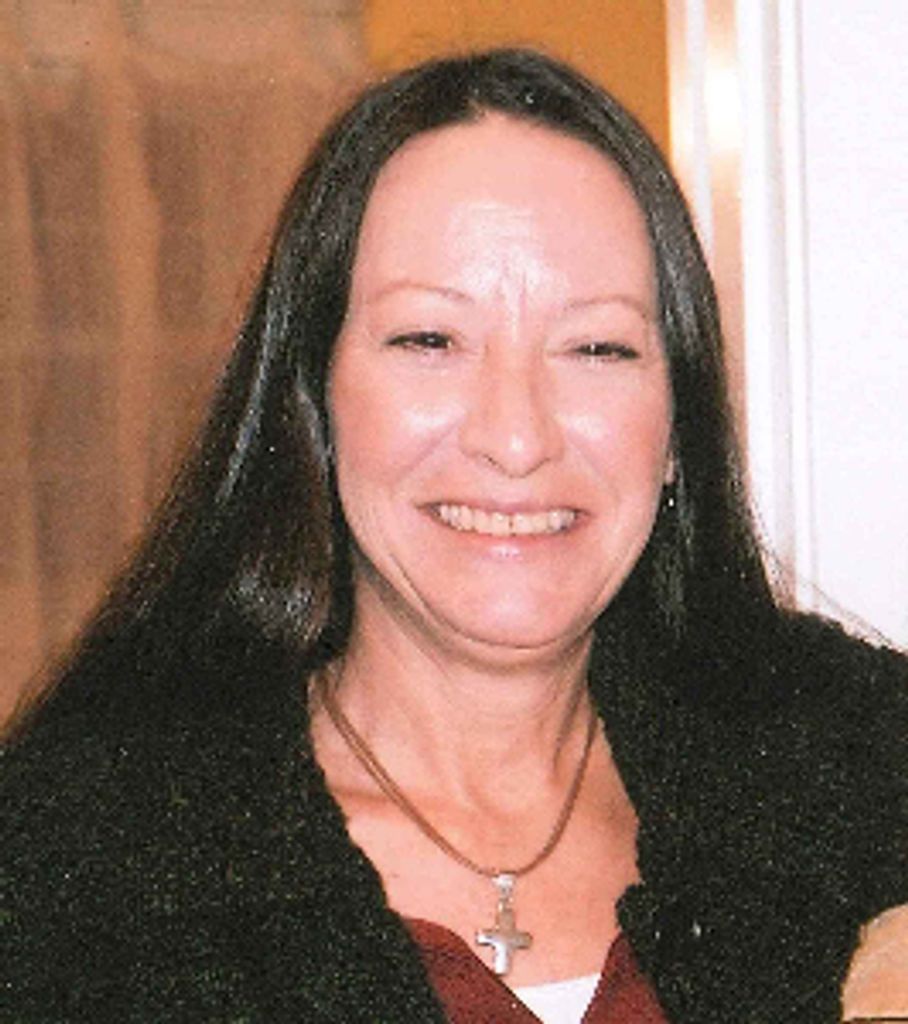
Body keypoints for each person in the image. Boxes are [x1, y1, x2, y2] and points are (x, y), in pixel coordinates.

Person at [1, 48, 906, 1024]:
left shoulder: (858, 769)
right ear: (312, 400)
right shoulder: (82, 870)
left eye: (596, 347)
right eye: (429, 340)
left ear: (678, 427)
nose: (515, 438)